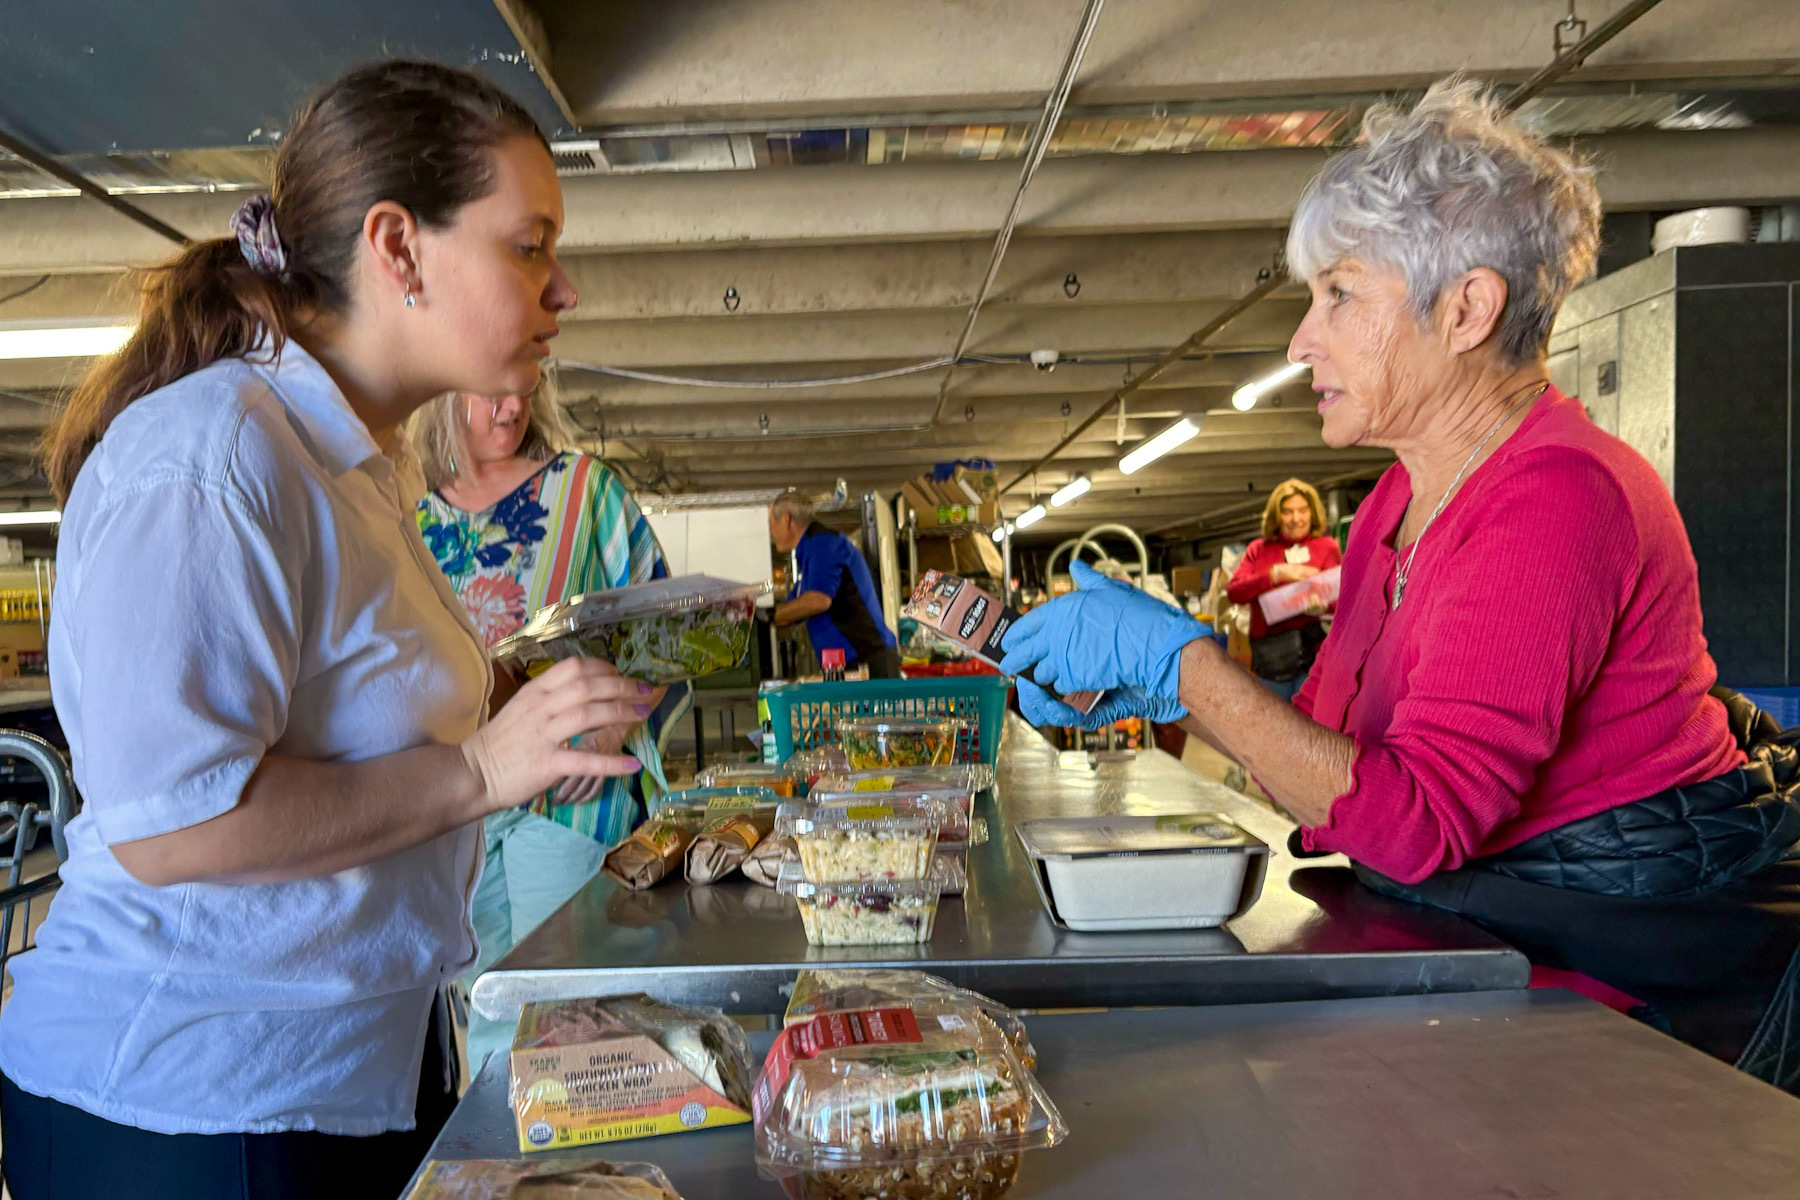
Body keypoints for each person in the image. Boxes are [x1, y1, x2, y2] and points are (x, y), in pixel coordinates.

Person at [998, 79, 1800, 1088]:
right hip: (1498, 961)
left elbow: (1414, 822)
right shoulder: (1397, 498)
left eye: (1339, 295)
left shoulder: (1559, 498)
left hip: (1625, 1015)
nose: (1300, 341)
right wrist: (1164, 686)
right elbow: (1339, 762)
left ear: (1465, 308)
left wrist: (1194, 674)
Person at [0, 62, 654, 1200]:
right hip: (192, 1108)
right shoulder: (211, 461)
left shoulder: (354, 464)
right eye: (528, 245)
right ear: (398, 246)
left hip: (342, 1077)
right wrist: (473, 770)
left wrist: (517, 704)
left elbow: (347, 703)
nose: (564, 292)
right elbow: (179, 825)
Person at [413, 378, 690, 1069]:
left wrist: (609, 724)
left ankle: (583, 1171)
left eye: (522, 391)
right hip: (454, 807)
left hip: (570, 800)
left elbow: (664, 631)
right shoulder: (407, 516)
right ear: (443, 391)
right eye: (489, 392)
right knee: (483, 1011)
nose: (511, 408)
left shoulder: (587, 492)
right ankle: (505, 1168)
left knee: (571, 1014)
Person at [1227, 478, 1342, 699]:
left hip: (1315, 656)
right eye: (1287, 512)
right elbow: (1234, 592)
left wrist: (1325, 608)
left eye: (1302, 510)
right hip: (1272, 660)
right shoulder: (1258, 550)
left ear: (1313, 513)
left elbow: (1347, 598)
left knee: (1312, 726)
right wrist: (1273, 575)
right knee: (1273, 726)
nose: (1296, 519)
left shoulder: (1327, 547)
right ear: (1276, 516)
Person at [769, 490, 900, 678]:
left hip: (866, 660)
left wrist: (767, 616)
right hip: (848, 663)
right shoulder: (809, 555)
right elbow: (790, 613)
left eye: (772, 524)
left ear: (787, 519)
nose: (771, 533)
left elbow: (818, 601)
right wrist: (757, 618)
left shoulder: (822, 544)